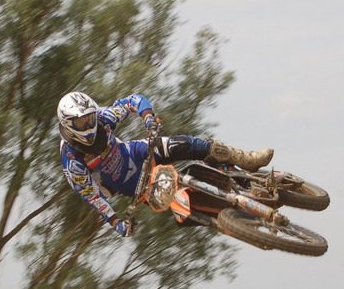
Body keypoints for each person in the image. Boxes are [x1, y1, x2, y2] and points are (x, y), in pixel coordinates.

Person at [58, 91, 273, 236]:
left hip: (138, 153)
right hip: (134, 186)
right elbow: (92, 196)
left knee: (188, 144)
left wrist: (148, 117)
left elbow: (132, 100)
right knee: (188, 210)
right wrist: (116, 223)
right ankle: (244, 223)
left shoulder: (103, 117)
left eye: (90, 117)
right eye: (82, 122)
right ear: (68, 125)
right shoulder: (72, 161)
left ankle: (246, 160)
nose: (89, 123)